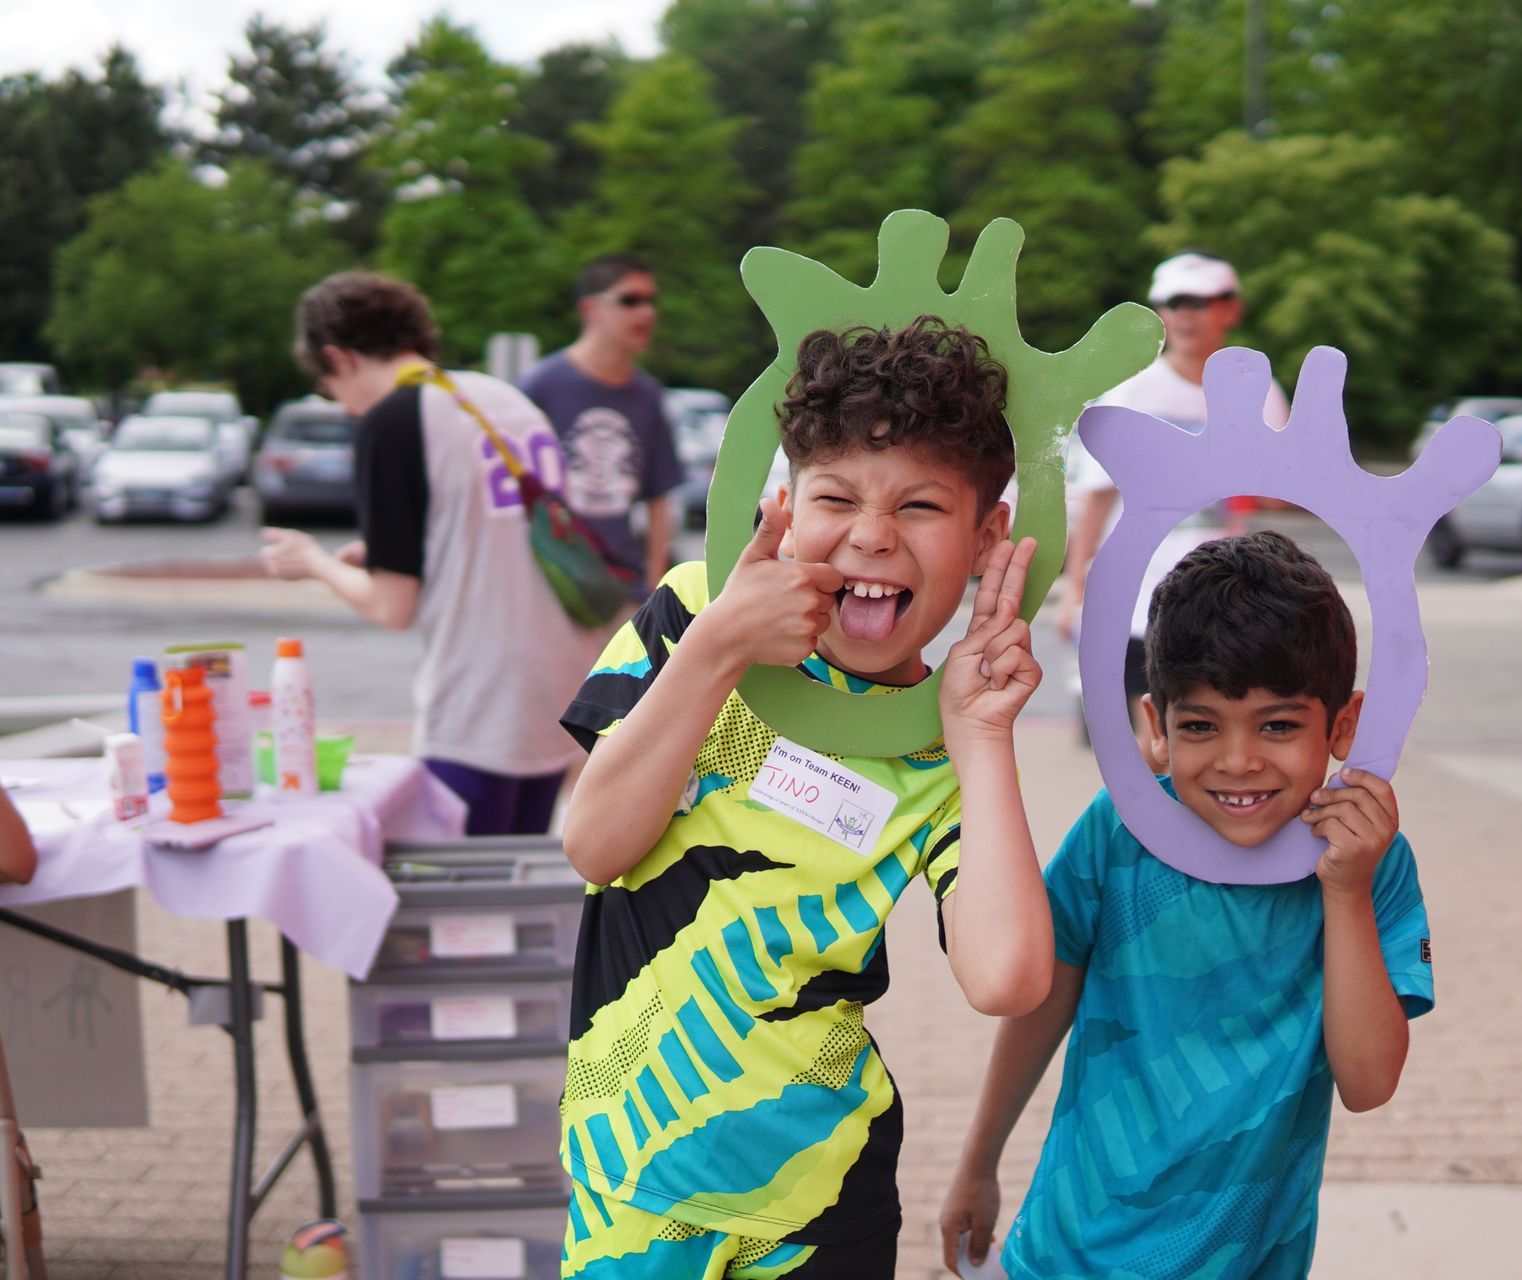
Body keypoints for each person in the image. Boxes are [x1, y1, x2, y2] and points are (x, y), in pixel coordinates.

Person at [554, 317, 1056, 1277]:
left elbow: (1007, 980)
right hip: (632, 1180)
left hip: (826, 1200)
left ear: (988, 536)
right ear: (784, 504)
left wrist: (982, 738)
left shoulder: (942, 732)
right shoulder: (693, 613)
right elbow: (595, 845)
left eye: (920, 507)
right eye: (836, 497)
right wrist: (716, 649)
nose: (871, 536)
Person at [942, 532, 1433, 1280]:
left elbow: (1368, 1084)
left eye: (1278, 724)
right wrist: (978, 1161)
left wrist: (1347, 891)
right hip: (1069, 1253)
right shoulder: (1118, 831)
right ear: (1156, 728)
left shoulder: (1370, 860)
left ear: (1341, 725)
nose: (1239, 760)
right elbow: (1041, 1006)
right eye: (1201, 725)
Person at [261, 271, 599, 835]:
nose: (344, 409)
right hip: (556, 684)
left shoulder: (392, 420)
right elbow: (499, 529)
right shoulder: (499, 399)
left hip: (477, 702)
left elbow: (392, 607)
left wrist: (312, 563)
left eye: (330, 389)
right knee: (516, 890)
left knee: (466, 911)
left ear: (338, 357)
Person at [1058, 252, 1290, 762]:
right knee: (1152, 744)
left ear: (1231, 309)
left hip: (1229, 598)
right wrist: (1075, 591)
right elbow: (1095, 500)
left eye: (1201, 302)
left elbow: (1278, 495)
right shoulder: (1131, 392)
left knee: (1207, 733)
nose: (1186, 314)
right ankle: (1145, 836)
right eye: (1173, 303)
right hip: (1139, 599)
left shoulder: (1259, 391)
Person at [520, 254, 685, 598]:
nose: (647, 312)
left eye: (651, 301)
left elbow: (659, 499)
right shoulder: (540, 386)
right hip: (550, 583)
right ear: (590, 309)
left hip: (620, 584)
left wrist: (654, 587)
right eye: (630, 300)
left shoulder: (647, 395)